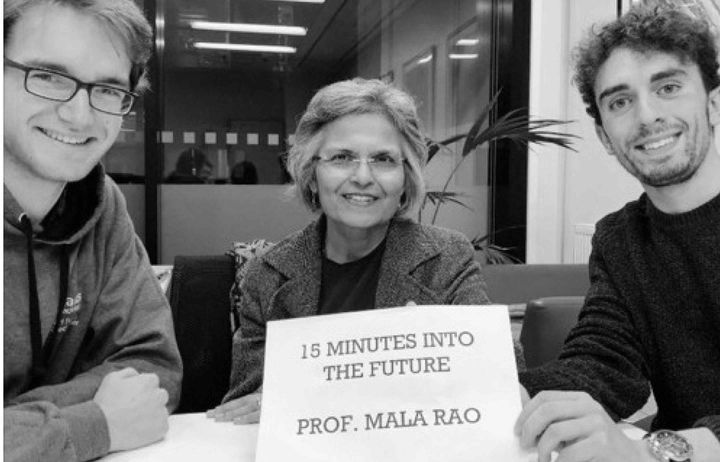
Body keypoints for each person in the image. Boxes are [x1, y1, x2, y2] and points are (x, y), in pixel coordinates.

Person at [207, 78, 496, 424]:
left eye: (383, 159)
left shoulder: (447, 259)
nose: (362, 177)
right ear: (311, 174)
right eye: (342, 157)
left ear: (406, 177)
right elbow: (244, 406)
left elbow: (499, 375)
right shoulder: (267, 274)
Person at [514, 5, 720, 462]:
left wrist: (660, 451)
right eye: (620, 101)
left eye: (668, 87)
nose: (647, 117)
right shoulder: (620, 238)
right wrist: (490, 390)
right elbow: (606, 364)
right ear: (605, 135)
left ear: (713, 102)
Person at [4, 1, 183, 461]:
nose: (79, 116)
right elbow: (120, 411)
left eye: (106, 89)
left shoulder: (101, 207)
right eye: (47, 76)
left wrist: (17, 426)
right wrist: (92, 423)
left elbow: (153, 369)